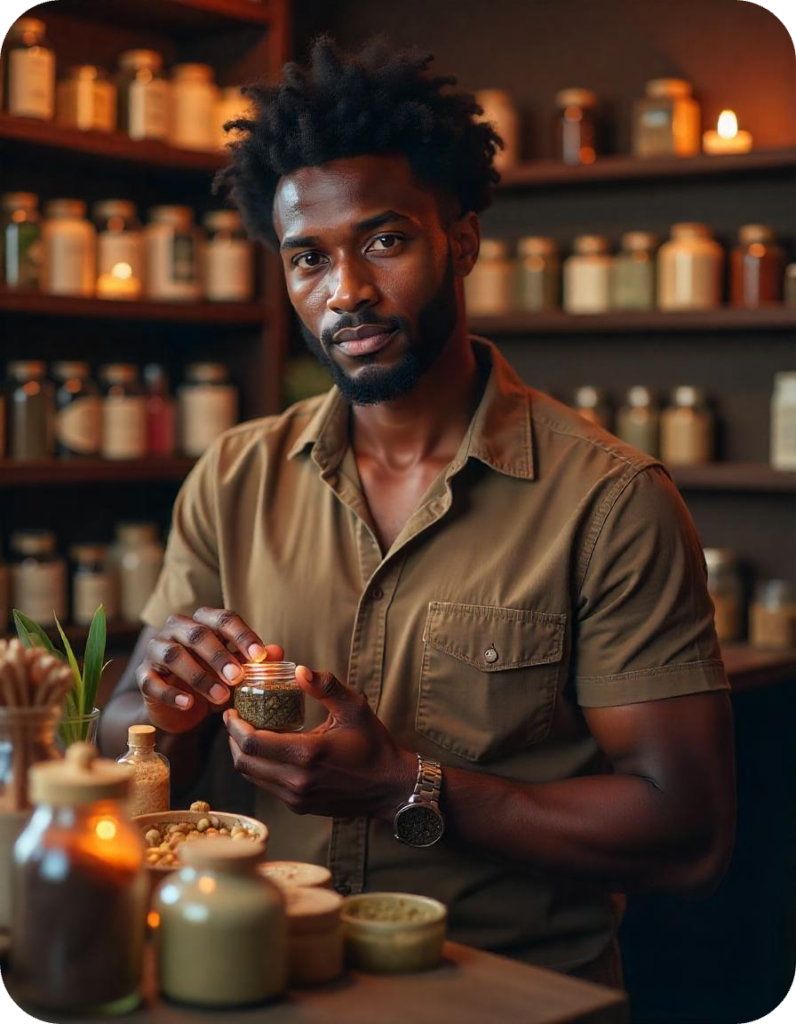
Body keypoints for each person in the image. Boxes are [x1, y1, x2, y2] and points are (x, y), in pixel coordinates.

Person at [100, 35, 735, 987]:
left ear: (463, 241)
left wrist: (406, 786)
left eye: (384, 239)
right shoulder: (234, 476)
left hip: (502, 990)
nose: (345, 291)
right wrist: (156, 694)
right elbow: (136, 762)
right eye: (308, 257)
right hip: (258, 972)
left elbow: (685, 835)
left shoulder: (610, 500)